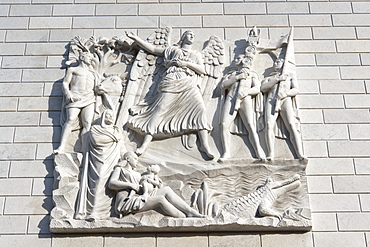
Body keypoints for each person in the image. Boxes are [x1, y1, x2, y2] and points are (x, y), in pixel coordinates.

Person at [126, 30, 214, 159]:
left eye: (194, 35)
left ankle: (205, 145)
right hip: (171, 80)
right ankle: (144, 144)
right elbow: (154, 49)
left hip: (188, 83)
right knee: (160, 110)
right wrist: (136, 39)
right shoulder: (172, 50)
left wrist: (186, 64)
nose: (192, 36)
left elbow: (202, 70)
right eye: (189, 34)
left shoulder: (196, 54)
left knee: (200, 110)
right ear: (183, 37)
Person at [108, 152, 204, 218]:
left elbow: (140, 187)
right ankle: (182, 216)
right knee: (160, 199)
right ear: (128, 159)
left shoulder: (137, 174)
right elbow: (112, 183)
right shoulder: (120, 169)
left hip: (139, 196)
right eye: (135, 159)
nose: (137, 161)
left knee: (166, 189)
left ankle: (190, 212)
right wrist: (130, 185)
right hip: (126, 201)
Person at [74, 110, 123, 221]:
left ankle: (107, 213)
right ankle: (92, 211)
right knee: (98, 182)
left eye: (112, 115)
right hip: (98, 159)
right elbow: (97, 141)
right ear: (103, 117)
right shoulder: (95, 129)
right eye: (108, 115)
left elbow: (122, 146)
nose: (110, 117)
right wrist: (114, 138)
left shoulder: (116, 130)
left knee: (111, 185)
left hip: (113, 160)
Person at [219, 53, 265, 161]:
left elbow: (257, 88)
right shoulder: (232, 74)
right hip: (231, 98)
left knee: (250, 125)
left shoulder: (252, 74)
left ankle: (258, 152)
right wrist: (238, 77)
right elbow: (223, 85)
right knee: (223, 124)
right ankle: (226, 152)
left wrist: (246, 92)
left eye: (238, 57)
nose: (236, 59)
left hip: (245, 99)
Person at [261, 58, 305, 160]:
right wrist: (277, 79)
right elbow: (263, 88)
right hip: (271, 100)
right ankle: (270, 153)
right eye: (275, 62)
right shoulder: (270, 77)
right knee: (268, 125)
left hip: (285, 100)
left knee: (291, 124)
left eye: (278, 62)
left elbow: (295, 89)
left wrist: (286, 94)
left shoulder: (289, 76)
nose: (275, 64)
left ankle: (299, 154)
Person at [54, 52, 96, 154]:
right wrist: (68, 94)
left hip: (89, 98)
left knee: (87, 123)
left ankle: (85, 148)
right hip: (75, 97)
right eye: (89, 57)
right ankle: (61, 146)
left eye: (91, 57)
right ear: (82, 57)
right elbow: (65, 83)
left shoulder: (92, 74)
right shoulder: (73, 70)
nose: (91, 59)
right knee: (70, 119)